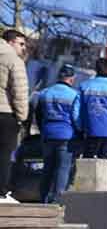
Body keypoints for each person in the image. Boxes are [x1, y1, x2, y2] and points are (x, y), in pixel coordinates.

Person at [35, 64, 81, 204]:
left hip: (48, 135)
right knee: (62, 169)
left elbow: (38, 115)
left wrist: (44, 130)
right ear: (72, 79)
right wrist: (80, 133)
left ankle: (43, 198)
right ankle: (57, 200)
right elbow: (76, 118)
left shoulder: (45, 93)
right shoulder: (74, 95)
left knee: (47, 168)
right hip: (66, 137)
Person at [0, 29, 30, 204]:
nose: (23, 48)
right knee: (4, 154)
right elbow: (19, 91)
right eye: (21, 44)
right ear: (10, 42)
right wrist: (22, 116)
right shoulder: (13, 60)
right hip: (5, 113)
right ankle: (1, 193)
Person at [78, 58, 107, 159]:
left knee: (89, 163)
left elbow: (76, 112)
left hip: (90, 131)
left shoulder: (84, 86)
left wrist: (80, 128)